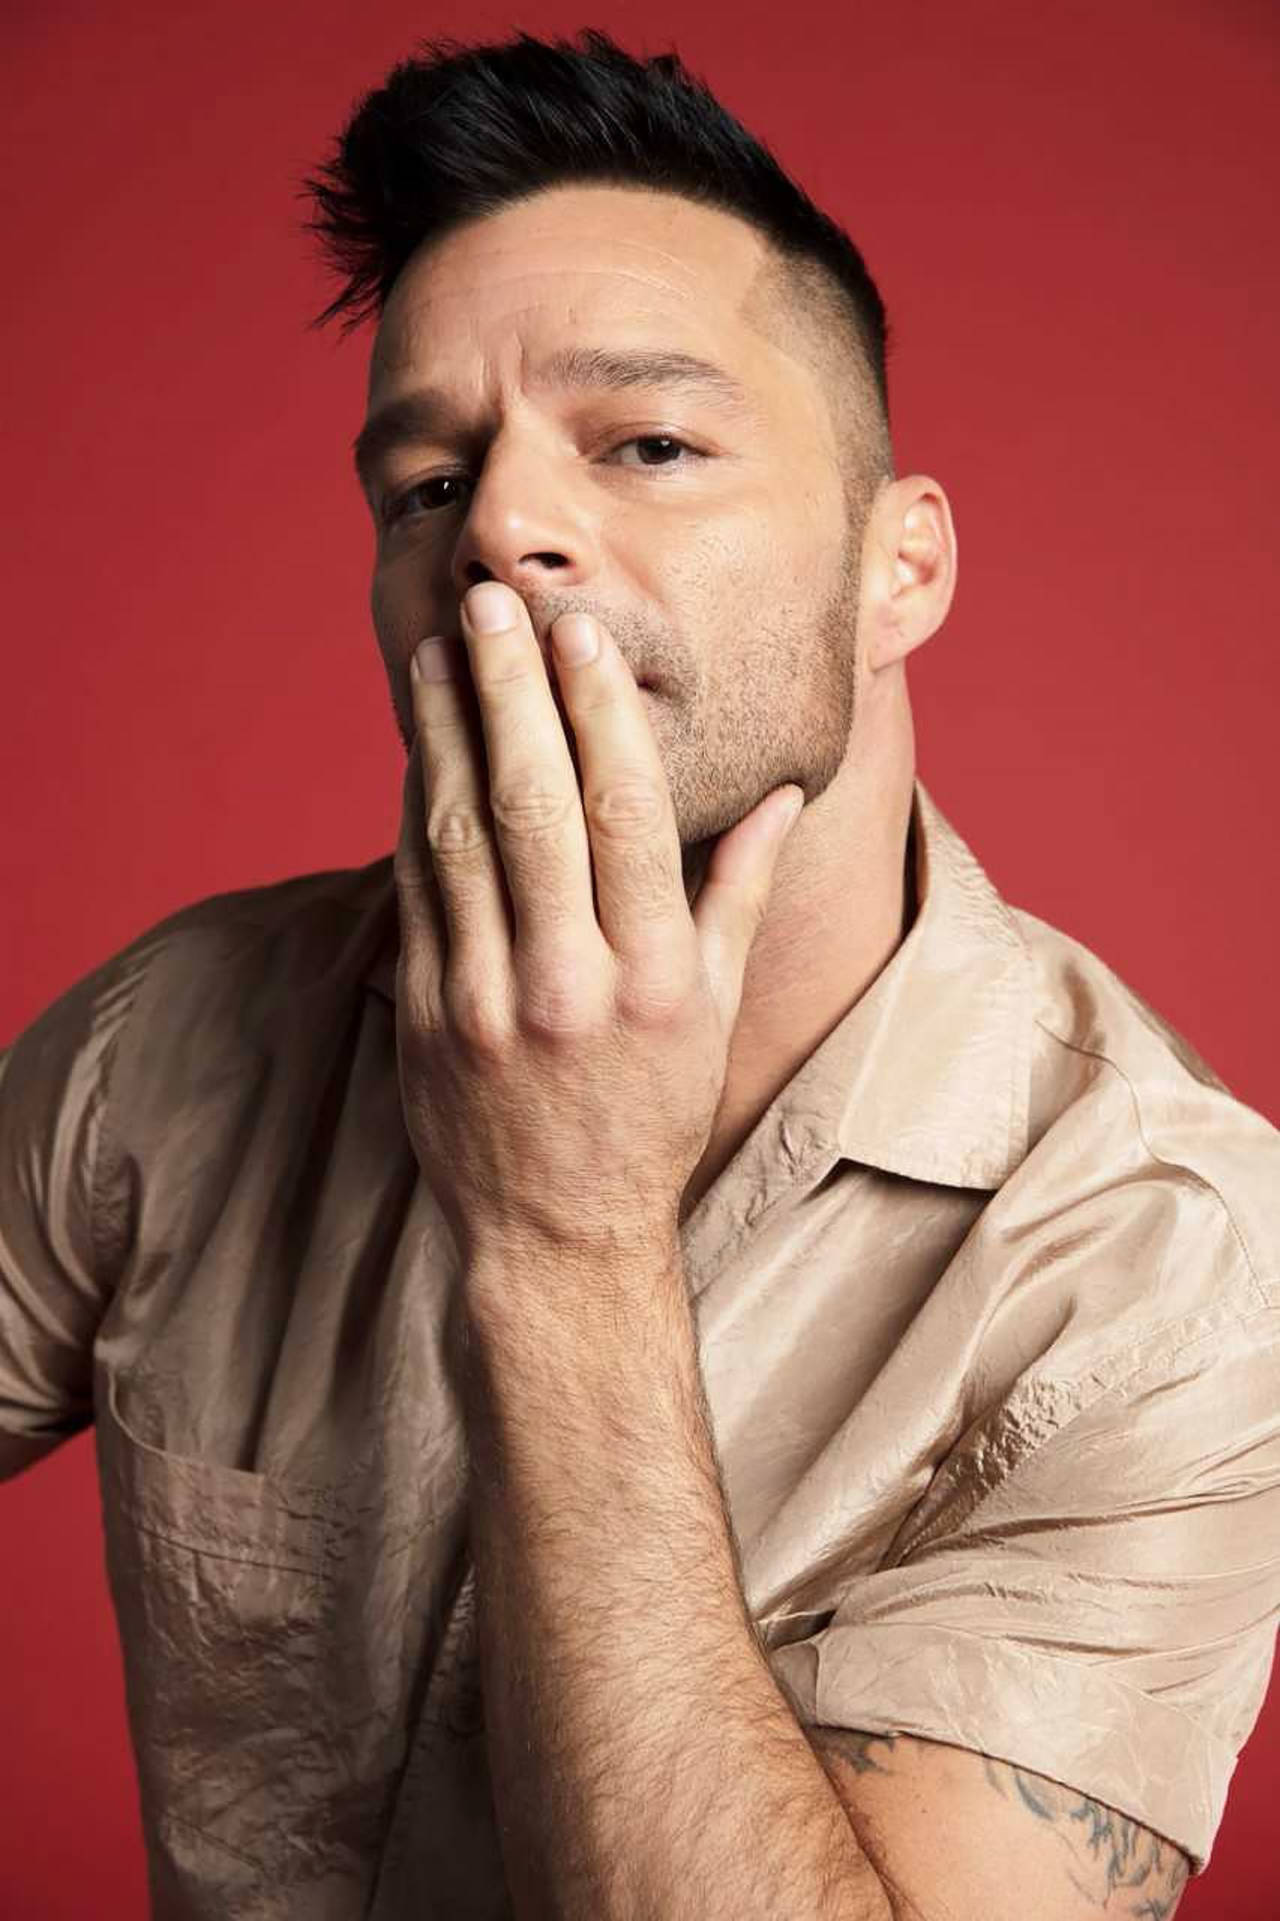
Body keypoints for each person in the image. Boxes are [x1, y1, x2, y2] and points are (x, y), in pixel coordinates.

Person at [2, 26, 1277, 1920]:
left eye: (650, 446)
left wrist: (569, 1238)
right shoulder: (172, 1042)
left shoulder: (1177, 1269)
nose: (498, 532)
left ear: (900, 570)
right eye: (425, 484)